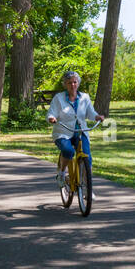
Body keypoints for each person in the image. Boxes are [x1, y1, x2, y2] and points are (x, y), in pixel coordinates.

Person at [47, 70, 107, 198]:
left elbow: (91, 113)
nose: (72, 85)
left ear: (78, 83)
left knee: (87, 158)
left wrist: (97, 117)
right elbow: (51, 112)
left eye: (75, 82)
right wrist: (52, 118)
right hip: (63, 132)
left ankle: (87, 189)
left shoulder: (85, 97)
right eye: (69, 83)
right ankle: (62, 173)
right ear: (65, 84)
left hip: (81, 132)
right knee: (68, 151)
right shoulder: (59, 98)